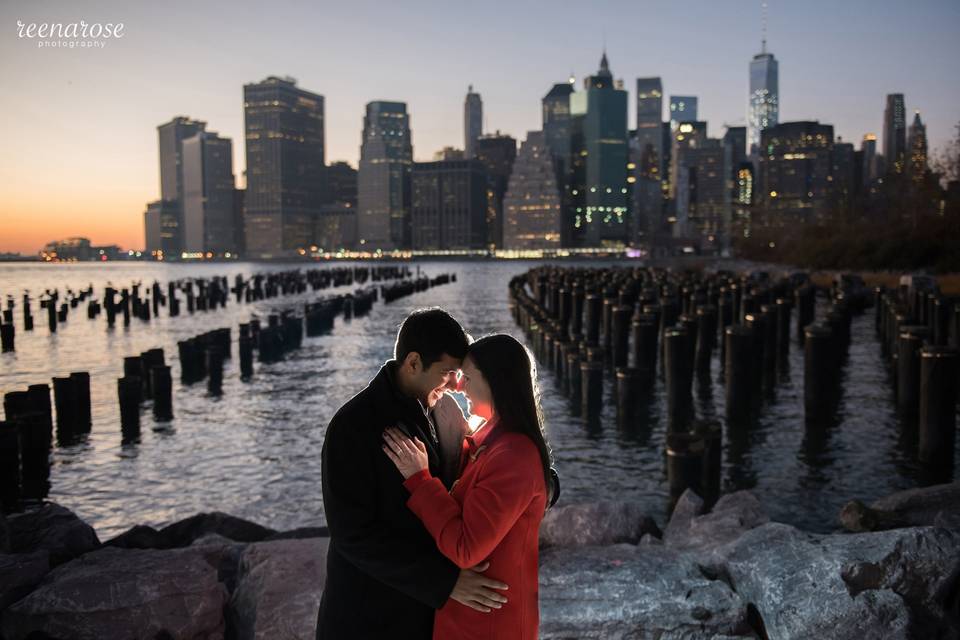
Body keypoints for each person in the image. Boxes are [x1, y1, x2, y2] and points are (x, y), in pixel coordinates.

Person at [316, 309, 510, 639]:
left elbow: (495, 458)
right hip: (367, 616)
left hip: (424, 614)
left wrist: (545, 480)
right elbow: (352, 535)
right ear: (413, 362)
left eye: (458, 375)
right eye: (447, 372)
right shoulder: (354, 425)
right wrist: (444, 582)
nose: (453, 385)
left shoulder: (447, 412)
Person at [383, 333, 555, 640]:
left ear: (496, 383)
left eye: (467, 378)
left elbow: (466, 548)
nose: (459, 387)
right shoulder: (491, 442)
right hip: (470, 618)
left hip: (489, 626)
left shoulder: (513, 455)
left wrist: (420, 479)